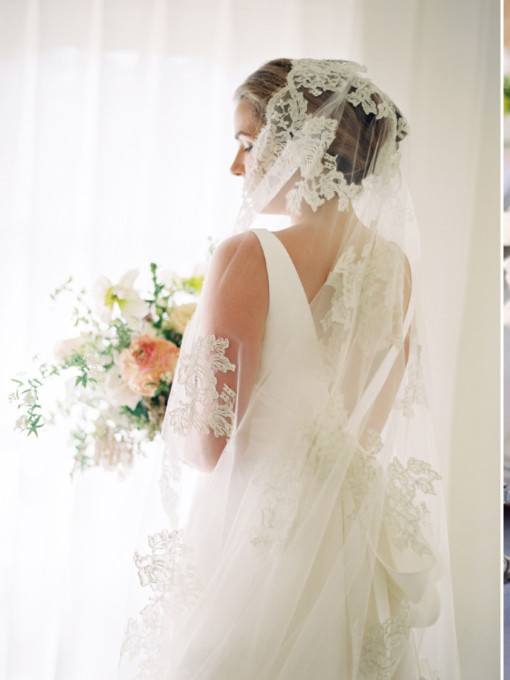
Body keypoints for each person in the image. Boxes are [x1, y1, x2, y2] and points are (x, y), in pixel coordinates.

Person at [119, 58, 455, 679]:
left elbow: (208, 449)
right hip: (354, 540)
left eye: (248, 144)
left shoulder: (245, 256)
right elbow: (367, 428)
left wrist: (174, 402)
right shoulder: (394, 267)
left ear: (304, 145)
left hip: (257, 537)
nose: (237, 166)